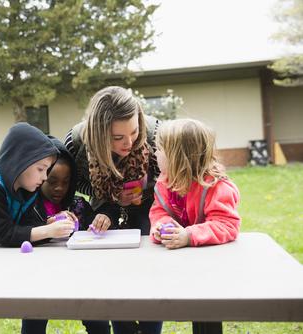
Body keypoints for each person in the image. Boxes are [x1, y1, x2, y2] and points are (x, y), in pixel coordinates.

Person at [65, 86, 162, 334]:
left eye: (133, 132)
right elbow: (73, 184)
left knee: (148, 270)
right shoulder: (77, 143)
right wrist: (111, 197)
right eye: (117, 138)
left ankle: (150, 328)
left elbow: (169, 180)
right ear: (98, 134)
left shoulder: (156, 134)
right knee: (110, 273)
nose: (129, 142)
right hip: (101, 211)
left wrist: (144, 191)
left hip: (149, 208)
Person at [21, 137, 94, 334]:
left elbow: (92, 229)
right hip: (40, 277)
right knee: (34, 320)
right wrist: (46, 226)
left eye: (66, 182)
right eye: (52, 181)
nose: (59, 188)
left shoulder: (78, 205)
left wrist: (98, 223)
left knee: (97, 319)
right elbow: (20, 231)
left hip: (79, 275)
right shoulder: (28, 206)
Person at [149, 118, 241, 249]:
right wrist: (163, 227)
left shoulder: (215, 187)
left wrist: (189, 235)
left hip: (213, 255)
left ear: (177, 157)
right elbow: (159, 212)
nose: (155, 153)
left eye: (159, 148)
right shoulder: (165, 183)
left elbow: (226, 224)